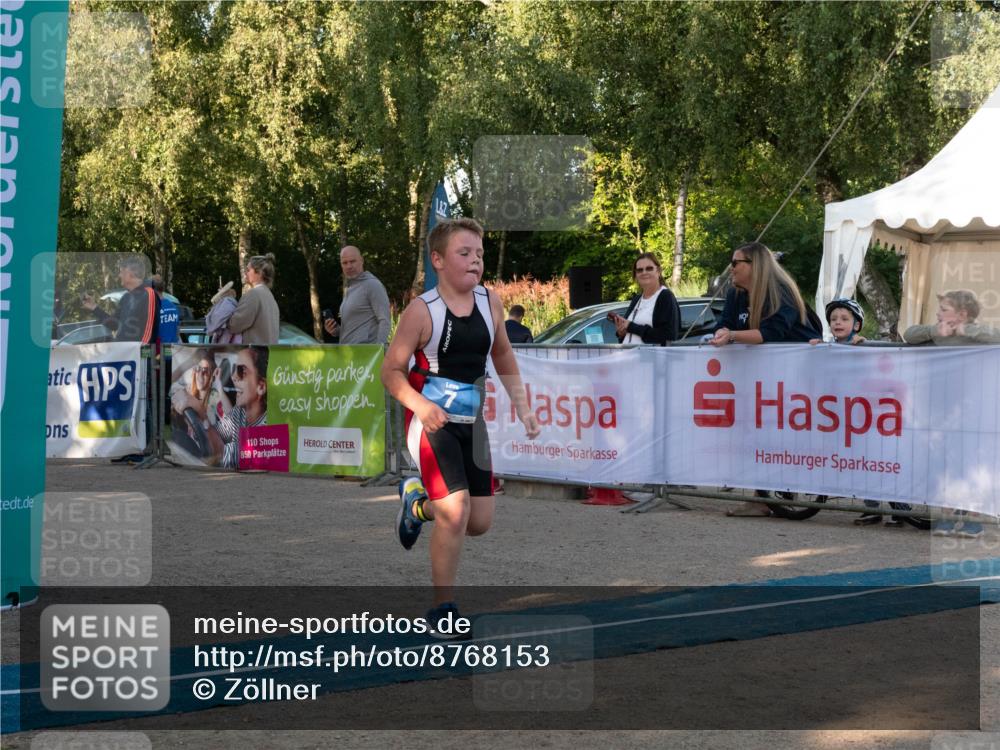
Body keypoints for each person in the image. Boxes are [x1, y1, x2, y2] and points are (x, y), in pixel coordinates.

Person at [381, 217, 539, 636]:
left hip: (473, 422)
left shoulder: (492, 302)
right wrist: (419, 405)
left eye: (480, 255)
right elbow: (391, 372)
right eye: (464, 253)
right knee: (455, 511)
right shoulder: (421, 311)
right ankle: (442, 610)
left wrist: (522, 406)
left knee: (479, 521)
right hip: (432, 423)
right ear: (437, 260)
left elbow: (503, 354)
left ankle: (417, 503)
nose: (475, 262)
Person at [710, 241, 821, 517]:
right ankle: (759, 497)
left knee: (786, 434)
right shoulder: (736, 293)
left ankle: (788, 488)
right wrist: (723, 331)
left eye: (736, 263)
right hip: (761, 378)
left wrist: (733, 335)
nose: (731, 268)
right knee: (755, 433)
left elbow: (770, 333)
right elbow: (723, 322)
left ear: (754, 265)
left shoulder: (780, 292)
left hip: (798, 375)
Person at [202, 346, 268, 469]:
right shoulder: (239, 412)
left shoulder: (269, 424)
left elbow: (222, 454)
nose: (233, 376)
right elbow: (216, 433)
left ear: (261, 387)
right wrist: (204, 427)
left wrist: (196, 409)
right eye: (234, 370)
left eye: (241, 371)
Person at [324, 245, 391, 345]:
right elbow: (354, 330)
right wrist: (336, 331)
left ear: (362, 260)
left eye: (352, 261)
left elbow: (385, 320)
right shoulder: (350, 288)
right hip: (350, 355)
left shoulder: (372, 284)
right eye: (345, 263)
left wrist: (378, 351)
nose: (349, 266)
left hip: (366, 356)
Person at [82, 256, 159, 343]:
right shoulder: (126, 297)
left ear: (130, 273)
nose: (119, 275)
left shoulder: (150, 294)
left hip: (137, 354)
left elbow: (151, 332)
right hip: (123, 352)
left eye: (121, 272)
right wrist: (94, 307)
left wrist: (139, 353)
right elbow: (114, 324)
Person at [610, 253, 681, 345]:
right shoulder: (636, 299)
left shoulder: (665, 296)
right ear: (635, 275)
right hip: (628, 356)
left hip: (651, 358)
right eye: (639, 270)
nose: (644, 272)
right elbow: (629, 334)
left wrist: (631, 327)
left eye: (649, 268)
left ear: (658, 271)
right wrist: (622, 333)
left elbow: (668, 336)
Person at [903, 289, 1000, 346]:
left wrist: (965, 330)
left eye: (944, 310)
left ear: (962, 315)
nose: (938, 313)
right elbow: (908, 335)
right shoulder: (937, 331)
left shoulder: (978, 333)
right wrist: (933, 331)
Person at [228, 254, 279, 345]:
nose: (245, 273)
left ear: (259, 272)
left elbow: (234, 325)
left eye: (248, 270)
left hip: (253, 356)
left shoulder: (254, 294)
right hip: (267, 355)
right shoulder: (270, 297)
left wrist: (227, 301)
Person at [151, 275, 180, 345]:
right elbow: (177, 332)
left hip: (157, 352)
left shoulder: (152, 308)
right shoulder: (174, 307)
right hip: (172, 351)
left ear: (152, 289)